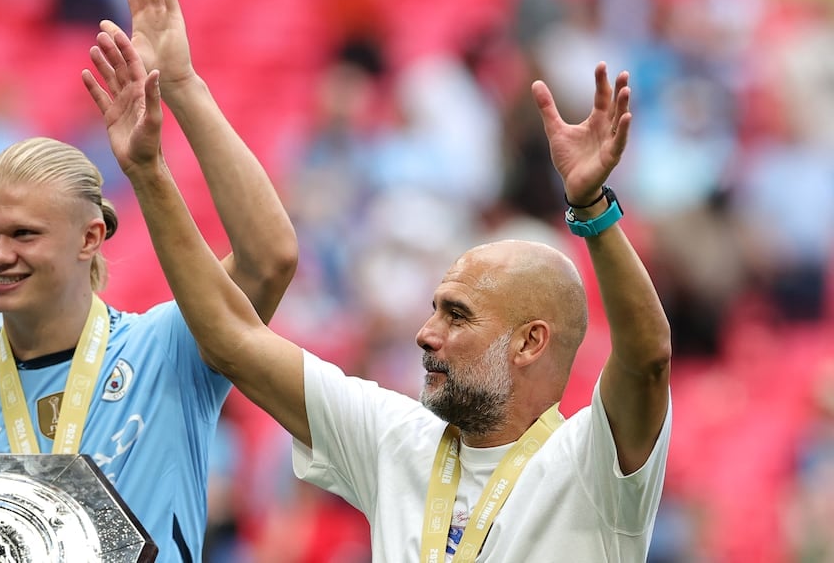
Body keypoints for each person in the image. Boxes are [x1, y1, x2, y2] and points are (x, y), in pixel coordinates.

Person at [92, 43, 672, 561]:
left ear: (529, 341)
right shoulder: (396, 440)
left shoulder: (593, 465)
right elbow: (232, 337)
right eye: (434, 308)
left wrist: (593, 208)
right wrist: (152, 162)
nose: (425, 333)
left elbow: (647, 359)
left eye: (457, 314)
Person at [0, 0, 297, 563]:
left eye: (24, 234)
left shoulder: (169, 352)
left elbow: (270, 259)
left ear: (89, 239)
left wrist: (177, 91)